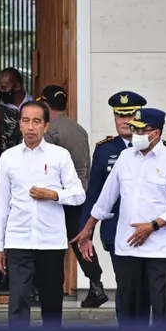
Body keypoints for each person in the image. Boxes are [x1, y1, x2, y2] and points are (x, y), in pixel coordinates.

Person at [73, 108, 166, 326]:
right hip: (127, 246)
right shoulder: (125, 157)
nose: (135, 134)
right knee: (130, 307)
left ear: (156, 133)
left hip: (158, 249)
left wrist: (152, 226)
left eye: (141, 130)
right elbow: (105, 198)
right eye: (134, 129)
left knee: (160, 307)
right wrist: (88, 229)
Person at [0, 101, 86, 326]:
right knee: (18, 299)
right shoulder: (8, 157)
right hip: (19, 239)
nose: (31, 126)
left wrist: (53, 195)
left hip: (51, 241)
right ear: (20, 124)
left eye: (36, 121)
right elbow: (2, 203)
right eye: (26, 121)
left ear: (46, 126)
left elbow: (78, 194)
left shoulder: (60, 155)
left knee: (51, 300)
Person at [79, 91, 151, 319]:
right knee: (126, 286)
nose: (124, 121)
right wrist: (85, 231)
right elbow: (94, 194)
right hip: (115, 230)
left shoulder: (157, 147)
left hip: (149, 231)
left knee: (146, 289)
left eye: (129, 115)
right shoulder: (105, 150)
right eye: (119, 116)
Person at [37, 85, 107, 308]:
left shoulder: (49, 131)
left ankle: (48, 289)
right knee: (80, 241)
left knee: (53, 245)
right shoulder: (78, 129)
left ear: (45, 104)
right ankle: (96, 284)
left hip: (59, 197)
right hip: (82, 195)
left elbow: (46, 167)